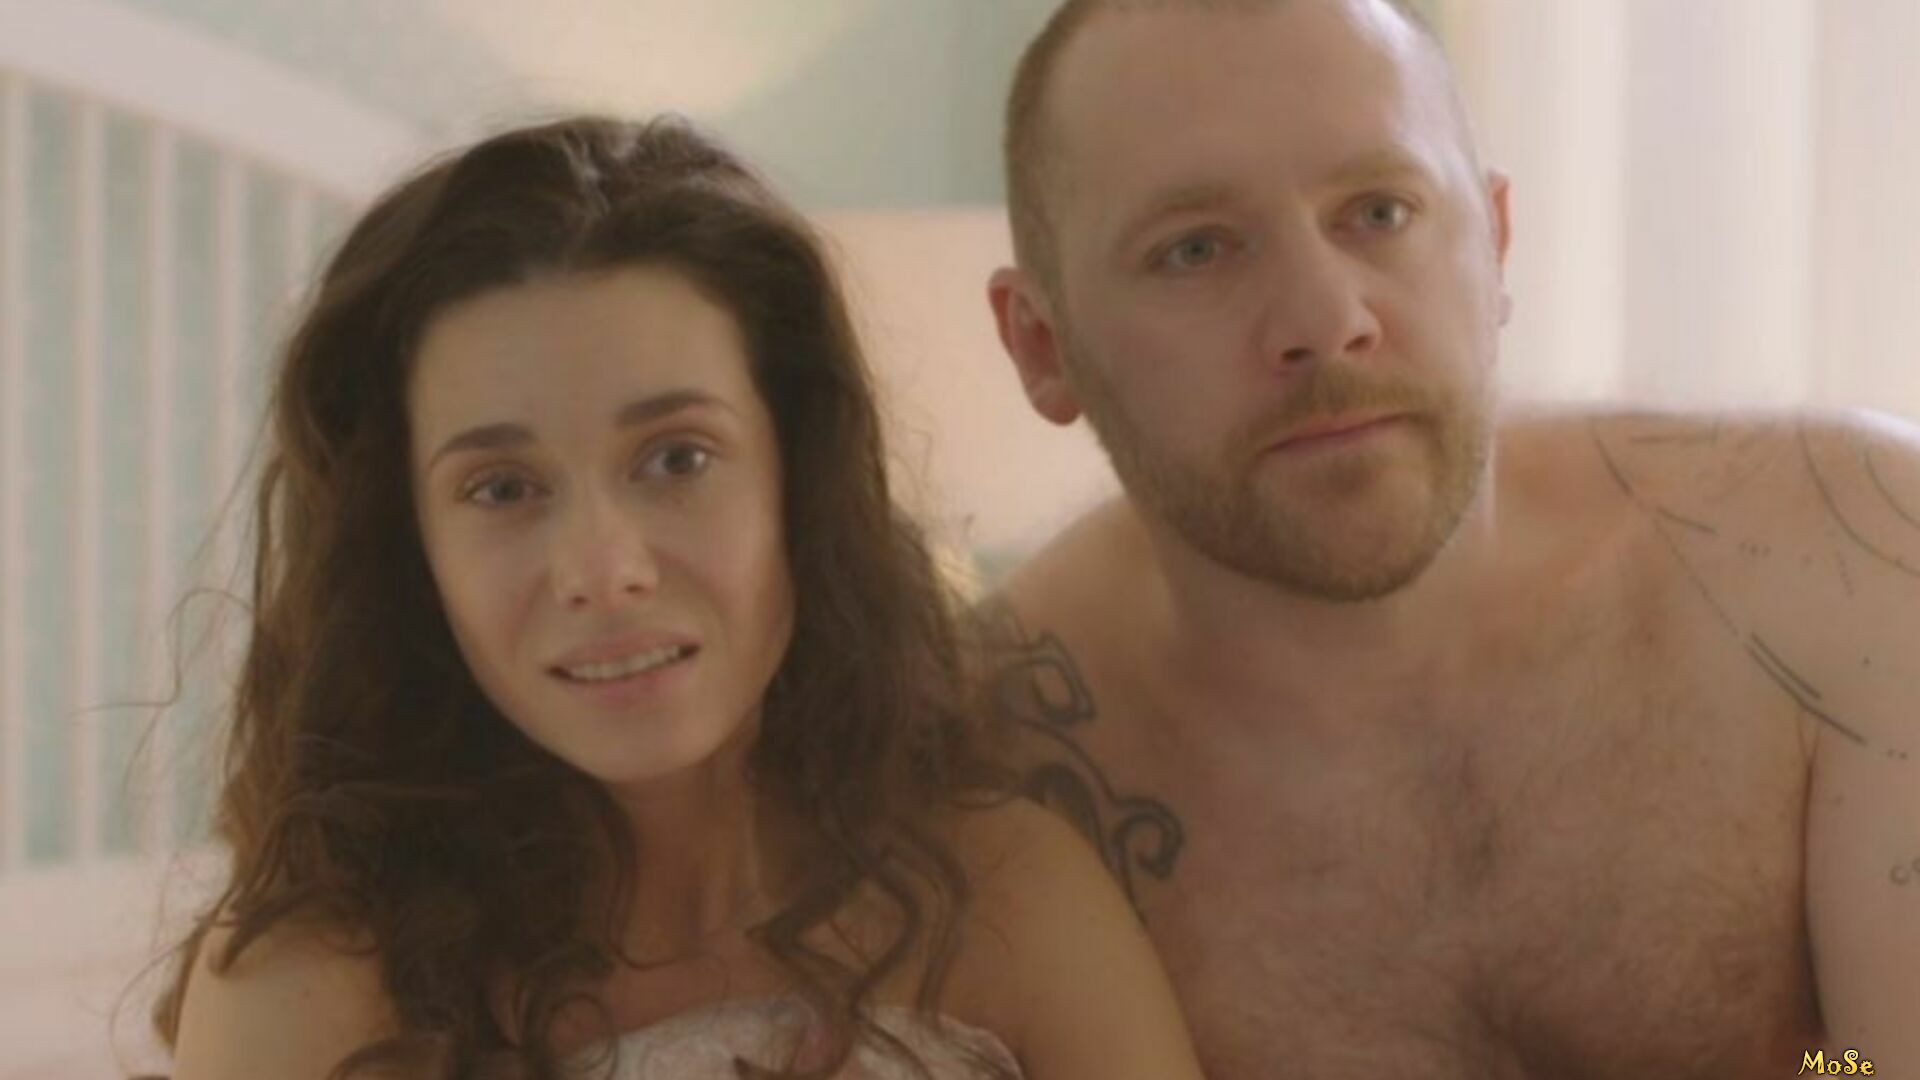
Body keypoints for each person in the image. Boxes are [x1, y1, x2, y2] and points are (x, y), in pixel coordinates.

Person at [147, 116, 1203, 1080]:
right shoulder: (314, 981)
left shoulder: (1004, 890)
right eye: (503, 489)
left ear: (798, 482)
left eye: (677, 459)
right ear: (411, 548)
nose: (604, 570)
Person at [979, 0, 1920, 1076]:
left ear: (1497, 240)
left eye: (1379, 212)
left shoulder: (1846, 565)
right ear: (1042, 345)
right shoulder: (962, 766)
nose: (1326, 320)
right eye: (1195, 250)